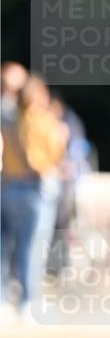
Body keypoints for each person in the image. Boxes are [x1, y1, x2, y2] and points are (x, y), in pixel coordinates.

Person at [1, 69, 68, 316]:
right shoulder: (41, 119)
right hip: (34, 187)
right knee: (32, 247)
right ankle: (29, 300)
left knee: (5, 247)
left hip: (8, 186)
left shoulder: (8, 117)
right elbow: (41, 156)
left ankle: (4, 300)